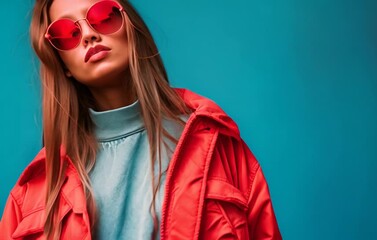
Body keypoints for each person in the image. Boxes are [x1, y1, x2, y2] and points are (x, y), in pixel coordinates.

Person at [0, 0, 282, 239]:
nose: (88, 34)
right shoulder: (34, 192)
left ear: (131, 26)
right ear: (63, 65)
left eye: (102, 15)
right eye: (66, 34)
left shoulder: (216, 144)